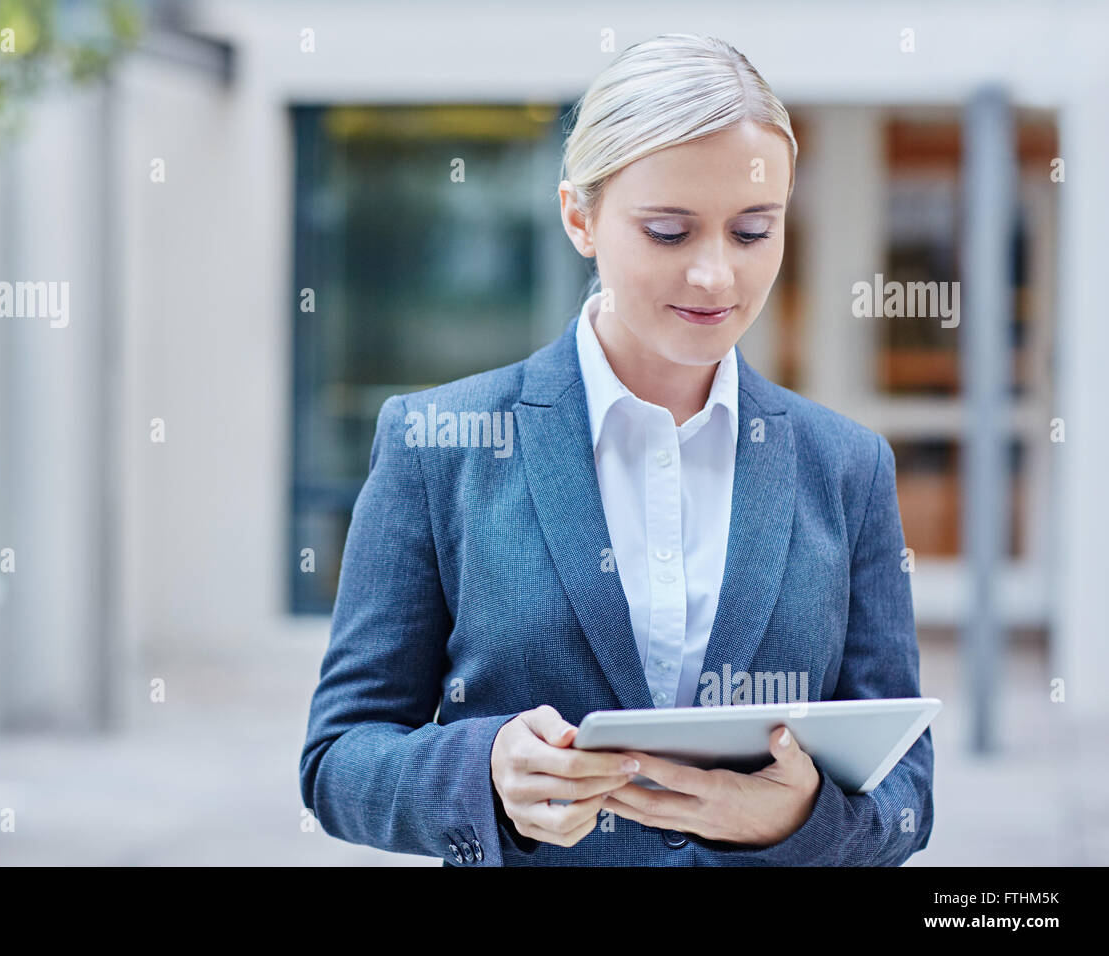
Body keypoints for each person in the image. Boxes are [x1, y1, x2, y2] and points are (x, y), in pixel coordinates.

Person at [300, 33, 933, 866]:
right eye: (669, 232)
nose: (715, 276)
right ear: (579, 217)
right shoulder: (436, 446)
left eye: (752, 232)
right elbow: (339, 761)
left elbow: (909, 797)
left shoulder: (846, 467)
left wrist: (797, 818)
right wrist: (484, 771)